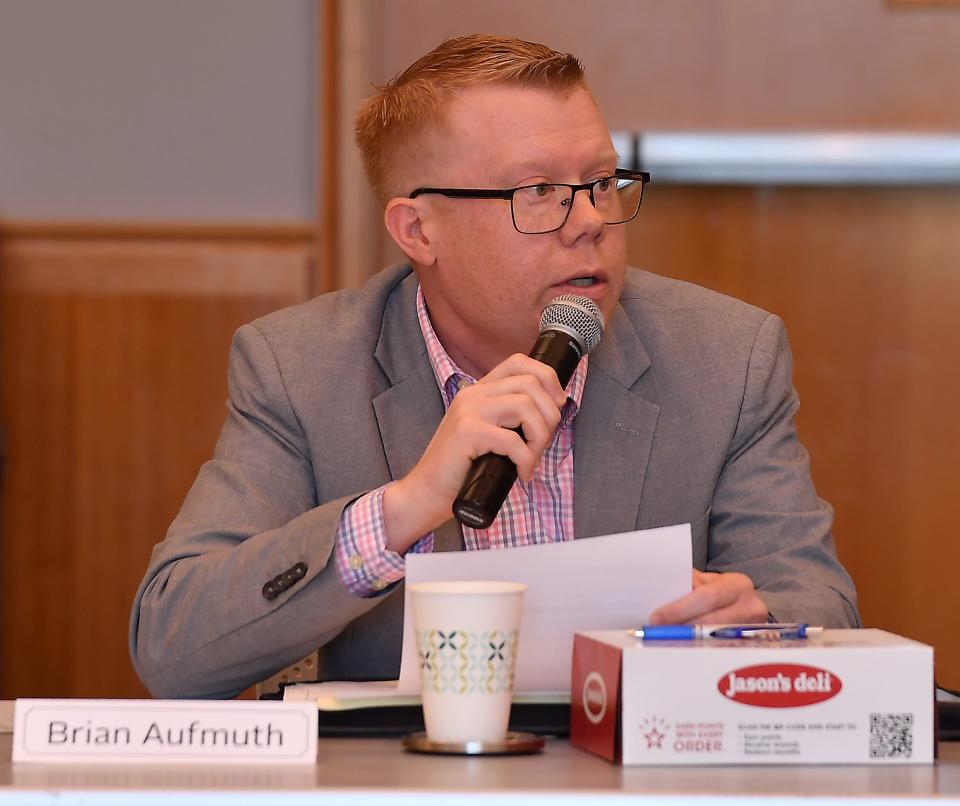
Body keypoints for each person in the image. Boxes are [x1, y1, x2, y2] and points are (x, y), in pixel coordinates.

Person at [129, 34, 859, 699]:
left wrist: (757, 621)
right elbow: (174, 649)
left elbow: (822, 610)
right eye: (538, 192)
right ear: (418, 229)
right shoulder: (301, 368)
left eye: (601, 182)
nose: (591, 222)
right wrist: (403, 510)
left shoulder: (725, 358)